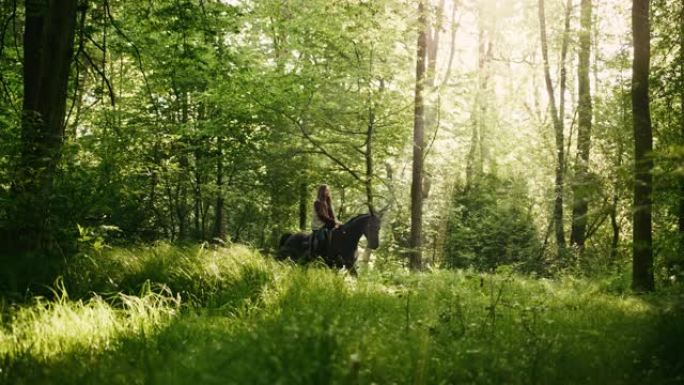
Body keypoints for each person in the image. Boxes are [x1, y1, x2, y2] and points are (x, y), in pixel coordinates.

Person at [311, 184, 340, 256]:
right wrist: (334, 222)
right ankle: (316, 255)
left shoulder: (328, 202)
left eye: (328, 190)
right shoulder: (317, 203)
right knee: (322, 239)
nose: (328, 192)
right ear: (321, 191)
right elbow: (322, 216)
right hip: (319, 226)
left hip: (328, 225)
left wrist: (336, 222)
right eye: (326, 190)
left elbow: (331, 214)